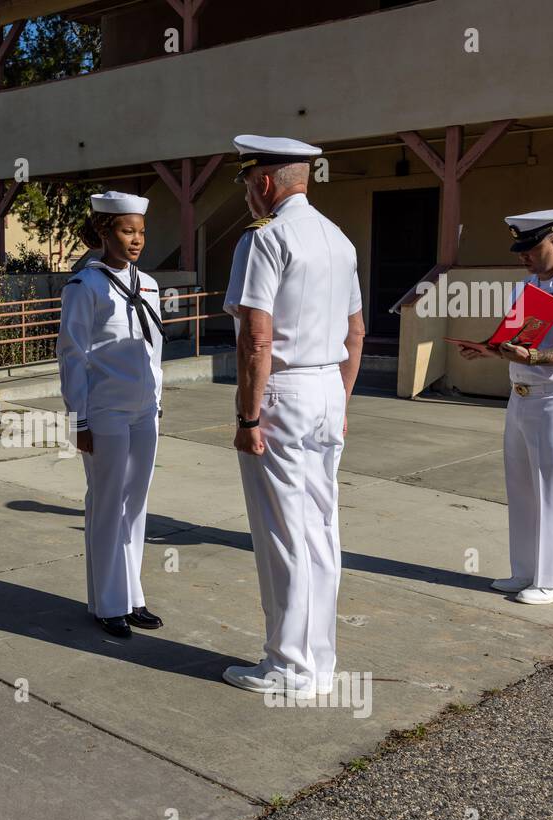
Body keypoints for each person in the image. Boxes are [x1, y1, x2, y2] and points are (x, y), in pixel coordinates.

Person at [222, 135, 366, 698]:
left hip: (282, 391)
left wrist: (248, 416)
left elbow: (256, 339)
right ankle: (319, 662)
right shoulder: (339, 239)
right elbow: (355, 333)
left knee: (283, 534)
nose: (248, 196)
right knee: (321, 530)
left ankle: (287, 665)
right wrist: (342, 400)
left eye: (247, 184)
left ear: (263, 183)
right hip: (328, 388)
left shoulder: (265, 239)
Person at [458, 209, 553, 605]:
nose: (523, 257)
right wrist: (490, 350)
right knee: (522, 488)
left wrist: (533, 360)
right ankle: (525, 571)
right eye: (520, 249)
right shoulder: (527, 285)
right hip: (521, 395)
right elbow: (521, 339)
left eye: (531, 248)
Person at [57, 191, 164, 639]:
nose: (136, 240)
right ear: (104, 231)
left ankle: (131, 593)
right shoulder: (86, 286)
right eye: (126, 231)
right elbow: (72, 354)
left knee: (135, 505)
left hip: (143, 410)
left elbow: (155, 351)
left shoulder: (151, 285)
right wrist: (76, 421)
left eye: (140, 231)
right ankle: (107, 602)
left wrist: (157, 401)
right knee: (105, 504)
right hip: (104, 410)